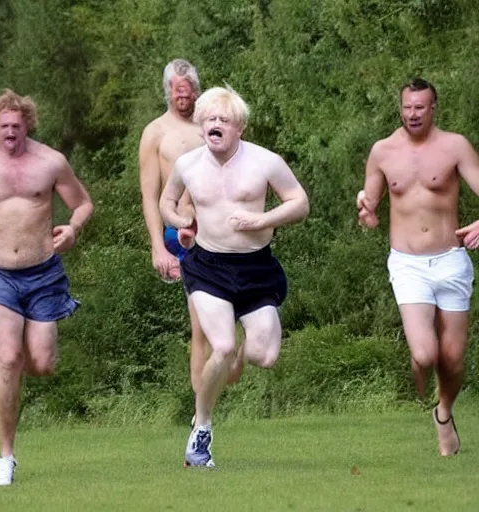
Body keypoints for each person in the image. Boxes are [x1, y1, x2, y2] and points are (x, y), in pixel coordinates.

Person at [159, 86, 309, 467]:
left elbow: (299, 204)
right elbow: (167, 202)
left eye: (223, 119)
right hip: (208, 267)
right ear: (200, 124)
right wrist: (181, 223)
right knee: (221, 346)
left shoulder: (265, 162)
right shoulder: (188, 165)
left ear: (239, 126)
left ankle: (241, 357)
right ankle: (202, 430)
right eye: (208, 119)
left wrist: (262, 220)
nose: (215, 125)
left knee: (267, 355)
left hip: (256, 268)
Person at [0, 89, 94, 485]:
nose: (10, 132)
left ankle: (24, 363)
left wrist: (72, 228)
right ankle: (5, 457)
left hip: (43, 275)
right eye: (3, 126)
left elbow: (83, 203)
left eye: (16, 126)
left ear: (27, 126)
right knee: (8, 359)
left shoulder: (50, 161)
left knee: (41, 363)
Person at [357, 77, 479, 456]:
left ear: (433, 108)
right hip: (408, 264)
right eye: (408, 107)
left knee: (454, 358)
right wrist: (366, 212)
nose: (413, 114)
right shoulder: (382, 151)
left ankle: (443, 413)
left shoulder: (454, 146)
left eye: (420, 107)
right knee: (426, 354)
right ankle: (427, 386)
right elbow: (370, 203)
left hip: (450, 261)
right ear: (400, 108)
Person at [138, 59, 243, 396]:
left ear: (197, 90)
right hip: (186, 233)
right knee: (199, 325)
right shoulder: (156, 133)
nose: (184, 97)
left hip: (225, 229)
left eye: (189, 91)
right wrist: (157, 246)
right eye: (177, 91)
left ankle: (234, 362)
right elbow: (150, 194)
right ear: (168, 91)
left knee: (237, 317)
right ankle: (201, 422)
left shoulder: (213, 123)